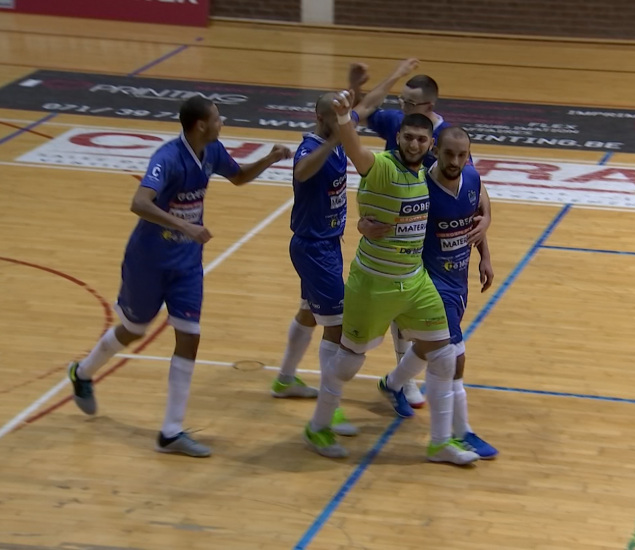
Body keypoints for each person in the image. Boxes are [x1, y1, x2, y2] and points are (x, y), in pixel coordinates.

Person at [67, 96, 292, 457]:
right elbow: (139, 203)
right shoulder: (168, 158)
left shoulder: (213, 151)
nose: (223, 122)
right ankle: (82, 372)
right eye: (217, 118)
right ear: (201, 125)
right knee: (134, 329)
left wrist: (268, 158)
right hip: (149, 259)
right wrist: (184, 226)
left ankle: (170, 431)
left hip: (186, 262)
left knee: (189, 335)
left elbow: (238, 178)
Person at [304, 90, 479, 465]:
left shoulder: (429, 175)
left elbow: (476, 194)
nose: (414, 143)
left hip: (415, 282)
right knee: (349, 363)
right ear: (397, 138)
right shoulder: (382, 165)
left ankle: (440, 443)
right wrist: (347, 117)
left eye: (421, 139)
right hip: (374, 283)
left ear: (430, 145)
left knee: (444, 356)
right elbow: (356, 152)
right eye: (408, 137)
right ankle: (318, 425)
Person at [350, 62, 492, 407]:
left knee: (427, 321)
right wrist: (384, 78)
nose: (401, 110)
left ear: (428, 109)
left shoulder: (447, 142)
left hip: (432, 232)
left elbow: (471, 190)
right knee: (414, 316)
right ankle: (407, 384)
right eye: (400, 102)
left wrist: (486, 225)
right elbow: (359, 112)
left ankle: (399, 381)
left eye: (409, 104)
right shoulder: (398, 124)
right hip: (398, 229)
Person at [360, 126, 499, 459]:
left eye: (461, 155)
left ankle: (392, 384)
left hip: (459, 278)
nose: (454, 160)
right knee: (453, 357)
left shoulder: (472, 179)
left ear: (469, 155)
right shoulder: (419, 185)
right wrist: (366, 226)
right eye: (448, 153)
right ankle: (460, 434)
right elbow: (377, 218)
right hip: (427, 282)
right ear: (435, 150)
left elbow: (477, 218)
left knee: (430, 347)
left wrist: (486, 256)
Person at [269, 92, 357, 436]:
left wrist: (389, 77)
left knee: (308, 311)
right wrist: (336, 138)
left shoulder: (340, 128)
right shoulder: (309, 148)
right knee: (337, 324)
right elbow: (302, 171)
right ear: (321, 119)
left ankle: (285, 379)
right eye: (337, 121)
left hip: (328, 244)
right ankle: (328, 409)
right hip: (314, 247)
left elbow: (362, 108)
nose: (346, 126)